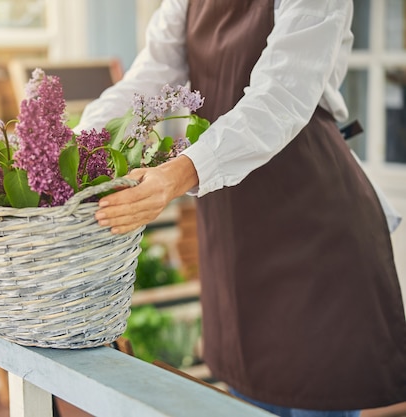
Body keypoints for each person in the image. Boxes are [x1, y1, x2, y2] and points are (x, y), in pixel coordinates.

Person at [76, 1, 406, 416]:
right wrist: (75, 145)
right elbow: (149, 80)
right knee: (247, 395)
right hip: (235, 228)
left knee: (316, 396)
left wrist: (175, 176)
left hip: (315, 231)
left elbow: (280, 97)